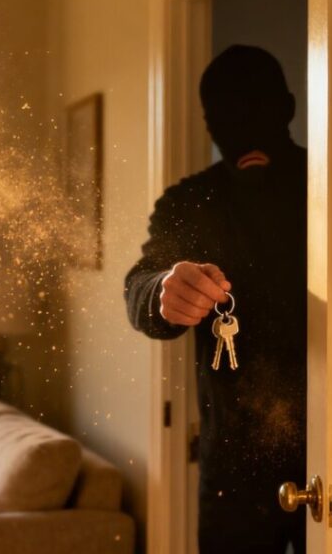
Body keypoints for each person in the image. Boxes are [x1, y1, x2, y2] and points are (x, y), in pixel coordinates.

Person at [125, 45, 307, 553]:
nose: (241, 127)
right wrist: (162, 292)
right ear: (209, 124)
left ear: (287, 107)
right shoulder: (189, 202)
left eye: (255, 107)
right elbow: (140, 284)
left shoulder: (331, 188)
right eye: (223, 115)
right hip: (232, 461)